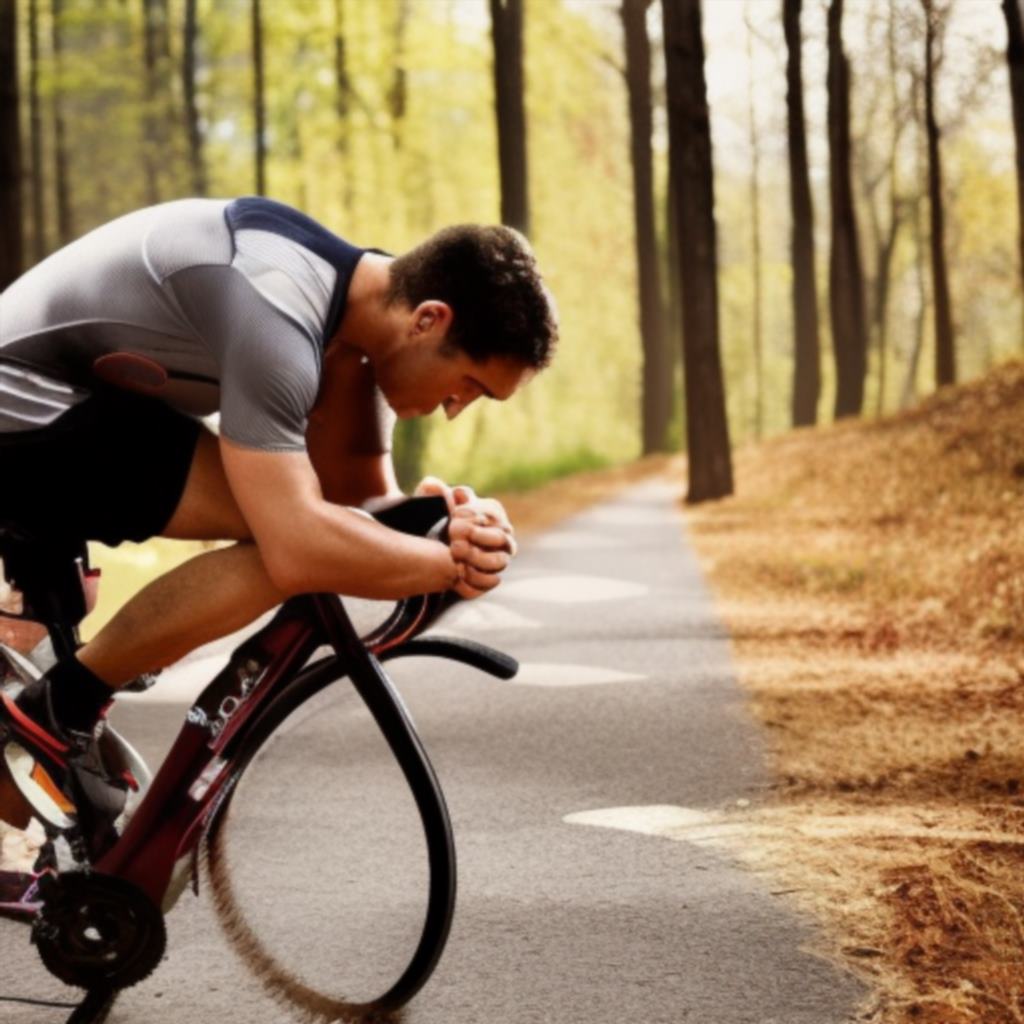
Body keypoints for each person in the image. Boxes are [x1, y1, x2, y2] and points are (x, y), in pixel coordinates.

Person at [0, 195, 558, 849]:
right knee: (291, 540)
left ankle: (54, 724)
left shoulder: (349, 327)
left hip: (72, 402)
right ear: (429, 320)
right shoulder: (279, 312)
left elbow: (364, 507)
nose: (457, 409)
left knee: (312, 531)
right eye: (469, 384)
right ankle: (57, 708)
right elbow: (302, 548)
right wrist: (449, 564)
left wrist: (440, 520)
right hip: (25, 402)